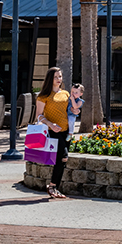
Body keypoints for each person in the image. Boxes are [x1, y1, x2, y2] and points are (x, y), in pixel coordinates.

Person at [35, 66, 70, 198]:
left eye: (60, 76)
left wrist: (75, 111)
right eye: (55, 77)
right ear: (50, 78)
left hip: (65, 131)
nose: (58, 79)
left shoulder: (66, 94)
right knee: (64, 155)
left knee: (62, 160)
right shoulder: (43, 96)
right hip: (51, 131)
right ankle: (53, 186)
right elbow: (38, 115)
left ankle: (54, 187)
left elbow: (70, 111)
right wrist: (50, 124)